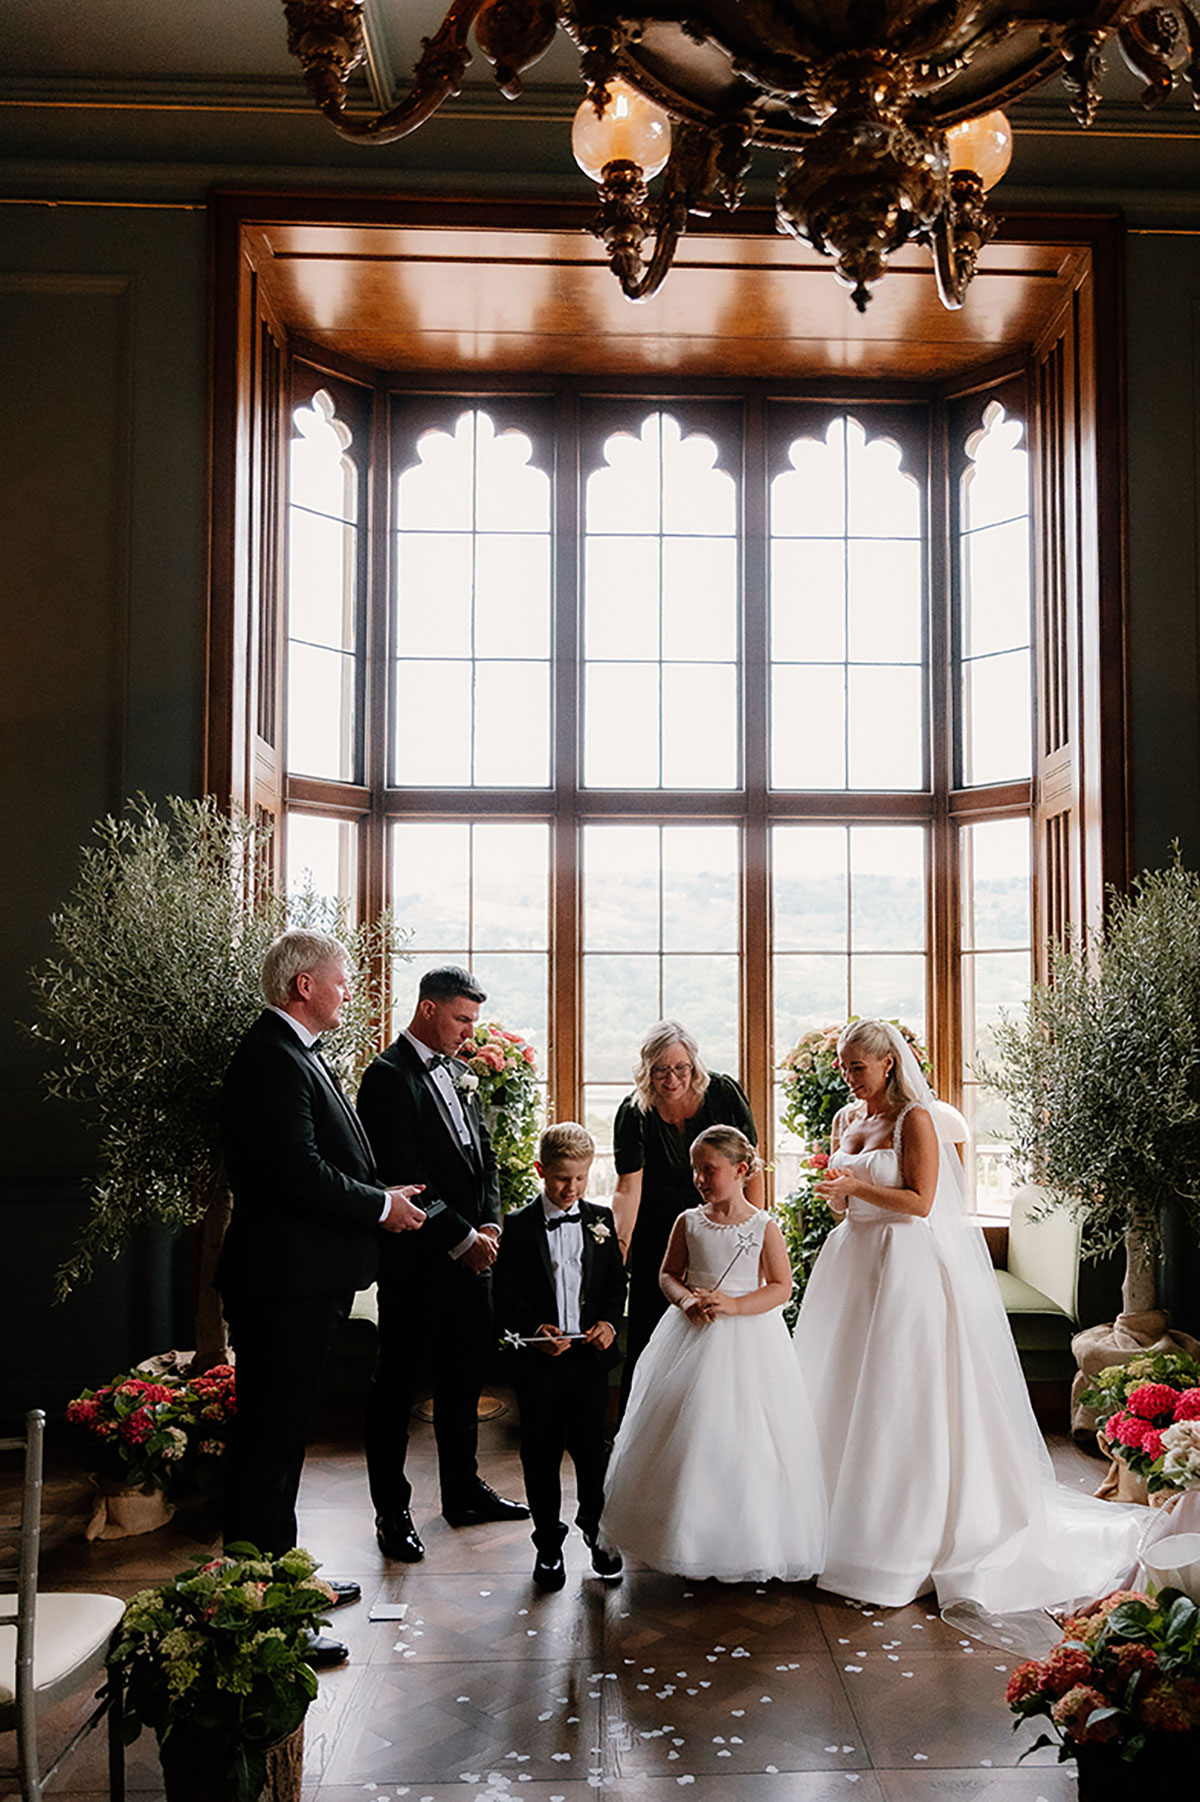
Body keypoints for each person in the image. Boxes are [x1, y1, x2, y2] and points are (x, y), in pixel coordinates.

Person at [793, 1018, 1148, 1620]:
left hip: (902, 1264)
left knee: (900, 1392)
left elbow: (920, 1202)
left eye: (858, 1067)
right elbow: (848, 1201)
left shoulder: (915, 1119)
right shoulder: (846, 1119)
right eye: (843, 1066)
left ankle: (904, 1532)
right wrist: (839, 1195)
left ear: (887, 1063)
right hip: (850, 1263)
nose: (849, 1078)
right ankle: (823, 1520)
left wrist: (856, 1185)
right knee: (838, 1385)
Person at [218, 928, 427, 1667]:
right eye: (340, 979)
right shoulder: (270, 1059)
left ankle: (284, 1579)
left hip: (303, 1282)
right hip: (283, 1285)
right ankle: (261, 1611)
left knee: (283, 1439)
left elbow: (316, 1163)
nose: (347, 990)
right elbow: (296, 1175)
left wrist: (379, 1191)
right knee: (268, 1446)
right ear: (303, 985)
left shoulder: (294, 1052)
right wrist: (380, 1207)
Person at [599, 1126, 827, 1583]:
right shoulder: (688, 1221)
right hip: (690, 1337)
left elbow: (781, 1287)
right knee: (689, 1430)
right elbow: (667, 1274)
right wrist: (686, 1300)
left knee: (746, 1437)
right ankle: (685, 1537)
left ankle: (746, 1542)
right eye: (696, 1170)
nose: (700, 1179)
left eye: (710, 1170)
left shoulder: (763, 1226)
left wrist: (736, 1306)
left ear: (741, 1170)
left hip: (750, 1343)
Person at [356, 965, 529, 1561]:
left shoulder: (458, 1073)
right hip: (416, 1264)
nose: (468, 1032)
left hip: (471, 1263)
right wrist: (462, 1237)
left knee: (464, 1380)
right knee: (396, 1387)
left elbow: (487, 1160)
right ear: (428, 1009)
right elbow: (402, 1175)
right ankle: (392, 1512)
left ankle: (462, 1491)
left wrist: (491, 1226)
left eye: (473, 1021)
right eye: (461, 1019)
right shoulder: (386, 1077)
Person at [493, 1122, 628, 1591]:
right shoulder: (518, 1225)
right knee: (541, 1453)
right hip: (541, 1364)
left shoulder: (601, 1220)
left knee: (592, 1452)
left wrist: (609, 1323)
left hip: (589, 1361)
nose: (571, 1189)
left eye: (579, 1179)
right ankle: (548, 1544)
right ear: (540, 1170)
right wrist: (535, 1329)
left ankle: (596, 1531)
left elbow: (615, 1282)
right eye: (560, 1179)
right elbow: (505, 1293)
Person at [613, 1022, 761, 1404]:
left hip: (722, 1226)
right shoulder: (633, 1111)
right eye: (661, 1070)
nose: (672, 1079)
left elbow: (751, 1168)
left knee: (716, 1331)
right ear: (647, 1070)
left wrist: (753, 1230)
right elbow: (628, 1188)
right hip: (659, 1232)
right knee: (650, 1334)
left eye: (680, 1068)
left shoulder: (722, 1093)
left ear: (694, 1064)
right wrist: (619, 1246)